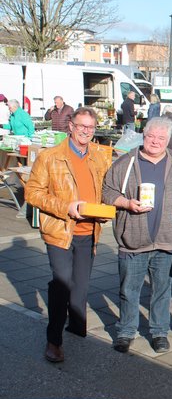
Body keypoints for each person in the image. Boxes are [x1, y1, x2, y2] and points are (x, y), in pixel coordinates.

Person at [25, 107, 111, 363]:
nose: (86, 131)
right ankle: (54, 341)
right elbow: (32, 193)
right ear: (71, 126)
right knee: (62, 283)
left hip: (89, 231)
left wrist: (110, 207)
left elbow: (107, 187)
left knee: (81, 286)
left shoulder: (99, 155)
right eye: (82, 126)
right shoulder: (50, 156)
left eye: (91, 127)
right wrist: (66, 208)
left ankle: (76, 325)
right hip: (61, 231)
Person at [102, 117, 172, 354]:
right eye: (151, 136)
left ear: (168, 140)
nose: (156, 142)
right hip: (133, 240)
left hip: (166, 240)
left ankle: (159, 332)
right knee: (129, 289)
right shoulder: (126, 162)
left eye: (161, 138)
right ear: (143, 136)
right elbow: (106, 191)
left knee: (162, 289)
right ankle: (126, 331)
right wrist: (127, 203)